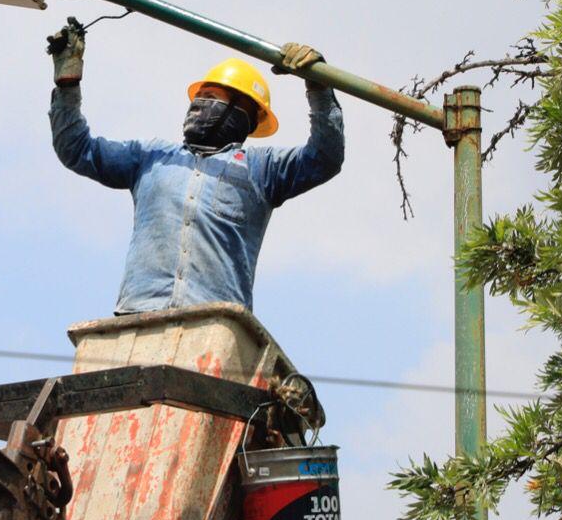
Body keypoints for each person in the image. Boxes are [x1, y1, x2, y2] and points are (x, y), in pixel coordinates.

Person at [47, 18, 345, 314]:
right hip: (140, 314)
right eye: (198, 98)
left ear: (242, 114)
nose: (198, 105)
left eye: (211, 98)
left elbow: (324, 158)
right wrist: (67, 84)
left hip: (214, 324)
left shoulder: (261, 170)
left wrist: (319, 87)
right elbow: (76, 148)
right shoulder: (152, 157)